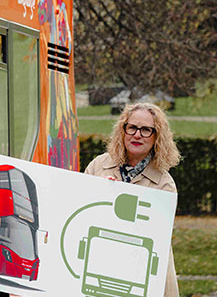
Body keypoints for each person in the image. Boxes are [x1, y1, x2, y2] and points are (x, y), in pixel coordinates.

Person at [84, 102, 182, 297]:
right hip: (100, 268)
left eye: (146, 130)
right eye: (132, 128)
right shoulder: (98, 166)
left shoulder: (164, 184)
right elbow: (80, 213)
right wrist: (99, 194)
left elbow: (151, 238)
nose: (137, 135)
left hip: (143, 277)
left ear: (157, 137)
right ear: (123, 130)